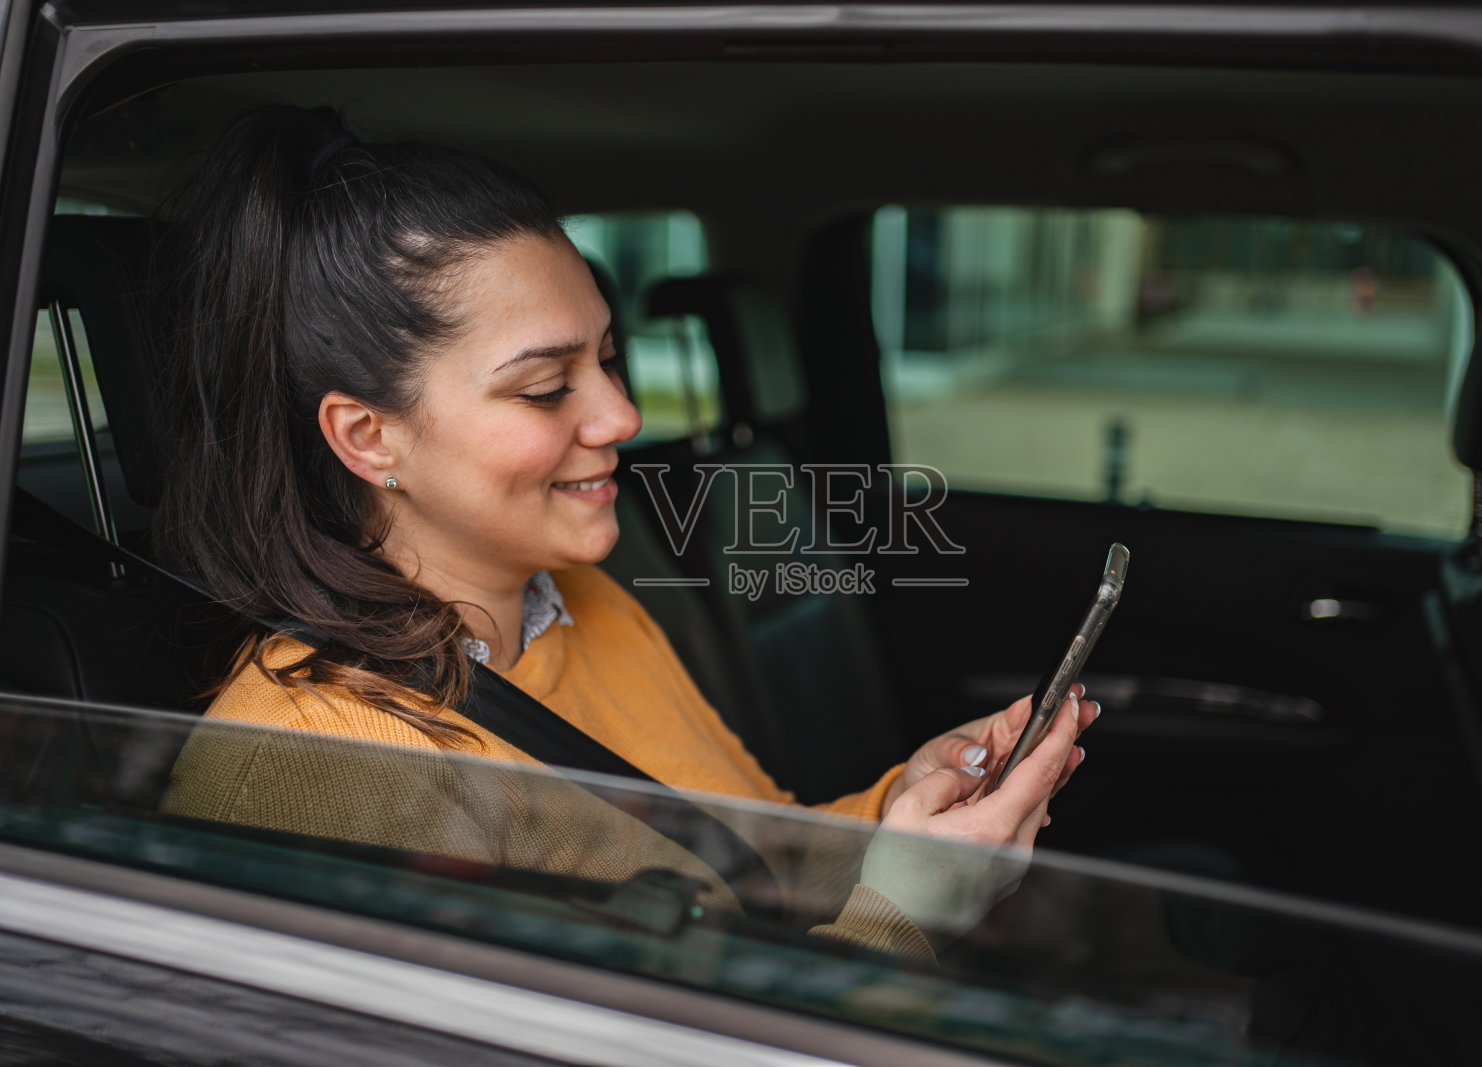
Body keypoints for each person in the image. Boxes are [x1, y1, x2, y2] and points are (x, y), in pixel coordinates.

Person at [155, 106, 1096, 960]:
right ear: (369, 435)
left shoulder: (575, 600)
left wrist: (894, 816)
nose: (622, 415)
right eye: (545, 386)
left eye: (608, 359)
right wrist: (910, 910)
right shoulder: (330, 770)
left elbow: (744, 867)